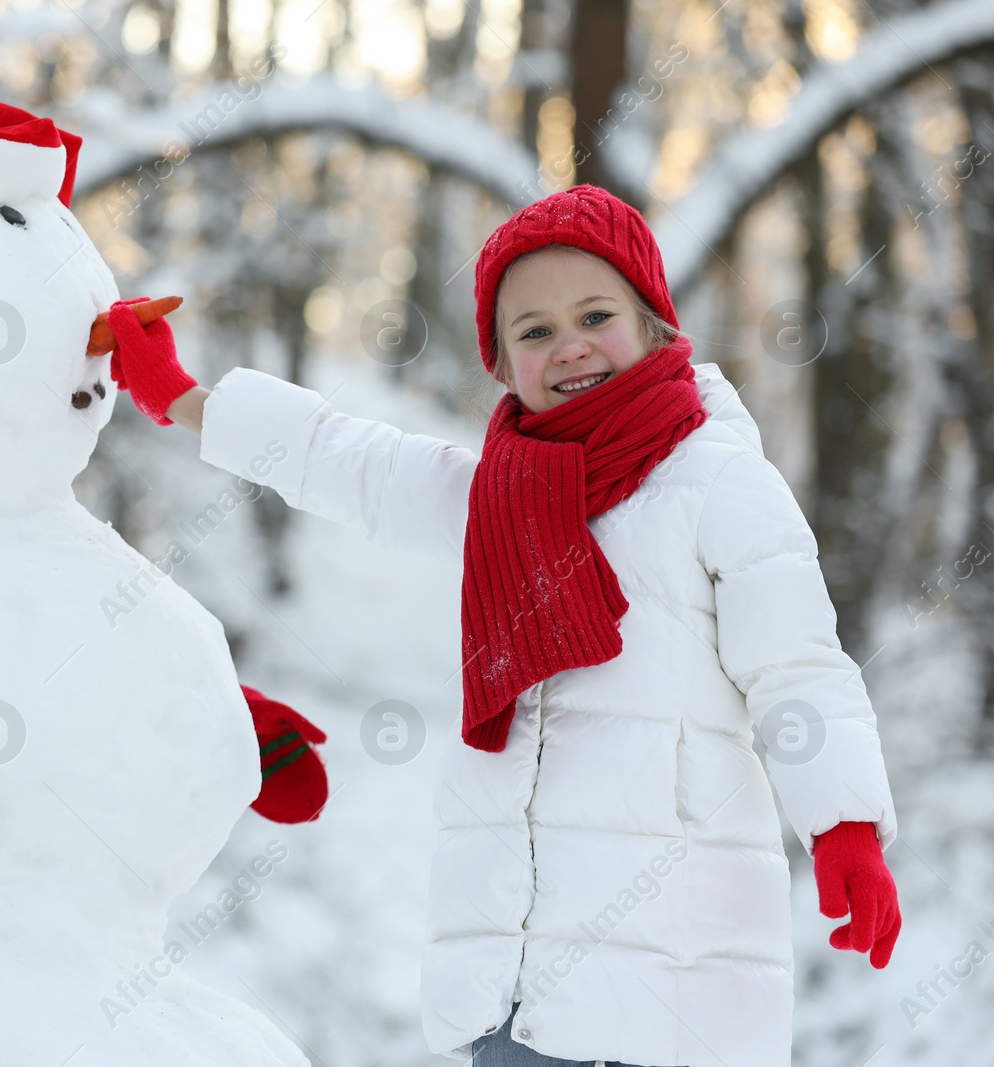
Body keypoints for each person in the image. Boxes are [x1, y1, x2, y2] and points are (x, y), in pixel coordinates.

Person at [105, 184, 900, 1067]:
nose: (570, 346)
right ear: (502, 362)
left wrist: (845, 825)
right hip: (517, 996)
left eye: (595, 314)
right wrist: (186, 398)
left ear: (654, 323)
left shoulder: (717, 484)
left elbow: (799, 670)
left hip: (674, 982)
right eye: (534, 331)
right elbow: (349, 460)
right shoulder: (499, 496)